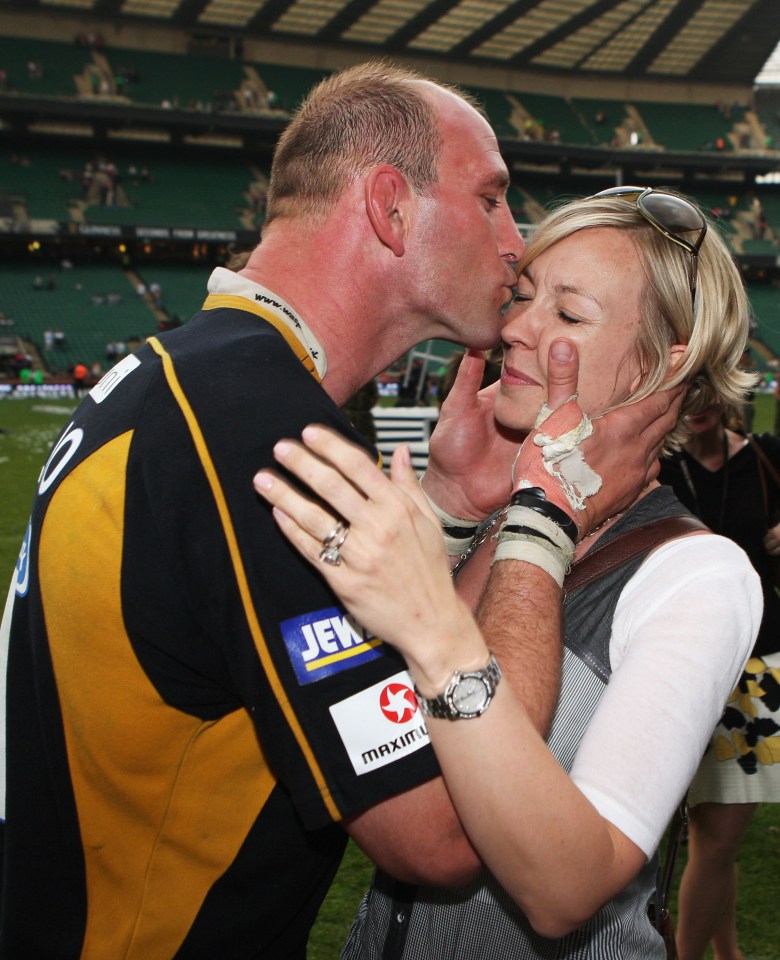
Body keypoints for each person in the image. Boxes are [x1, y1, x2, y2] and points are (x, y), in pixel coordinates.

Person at [1, 63, 676, 960]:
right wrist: (537, 520)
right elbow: (446, 834)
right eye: (491, 199)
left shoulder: (198, 380)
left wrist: (455, 511)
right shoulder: (264, 438)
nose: (517, 241)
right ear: (392, 208)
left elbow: (354, 662)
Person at [253, 187, 763, 958]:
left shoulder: (699, 576)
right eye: (523, 297)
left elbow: (565, 890)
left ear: (671, 358)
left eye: (567, 312)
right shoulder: (503, 517)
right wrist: (454, 505)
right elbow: (383, 744)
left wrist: (535, 522)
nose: (514, 329)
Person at [659, 405, 780, 960]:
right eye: (690, 388)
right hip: (682, 663)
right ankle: (720, 952)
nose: (699, 403)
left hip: (757, 669)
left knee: (718, 841)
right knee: (712, 841)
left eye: (711, 386)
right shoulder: (657, 465)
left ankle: (704, 952)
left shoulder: (766, 459)